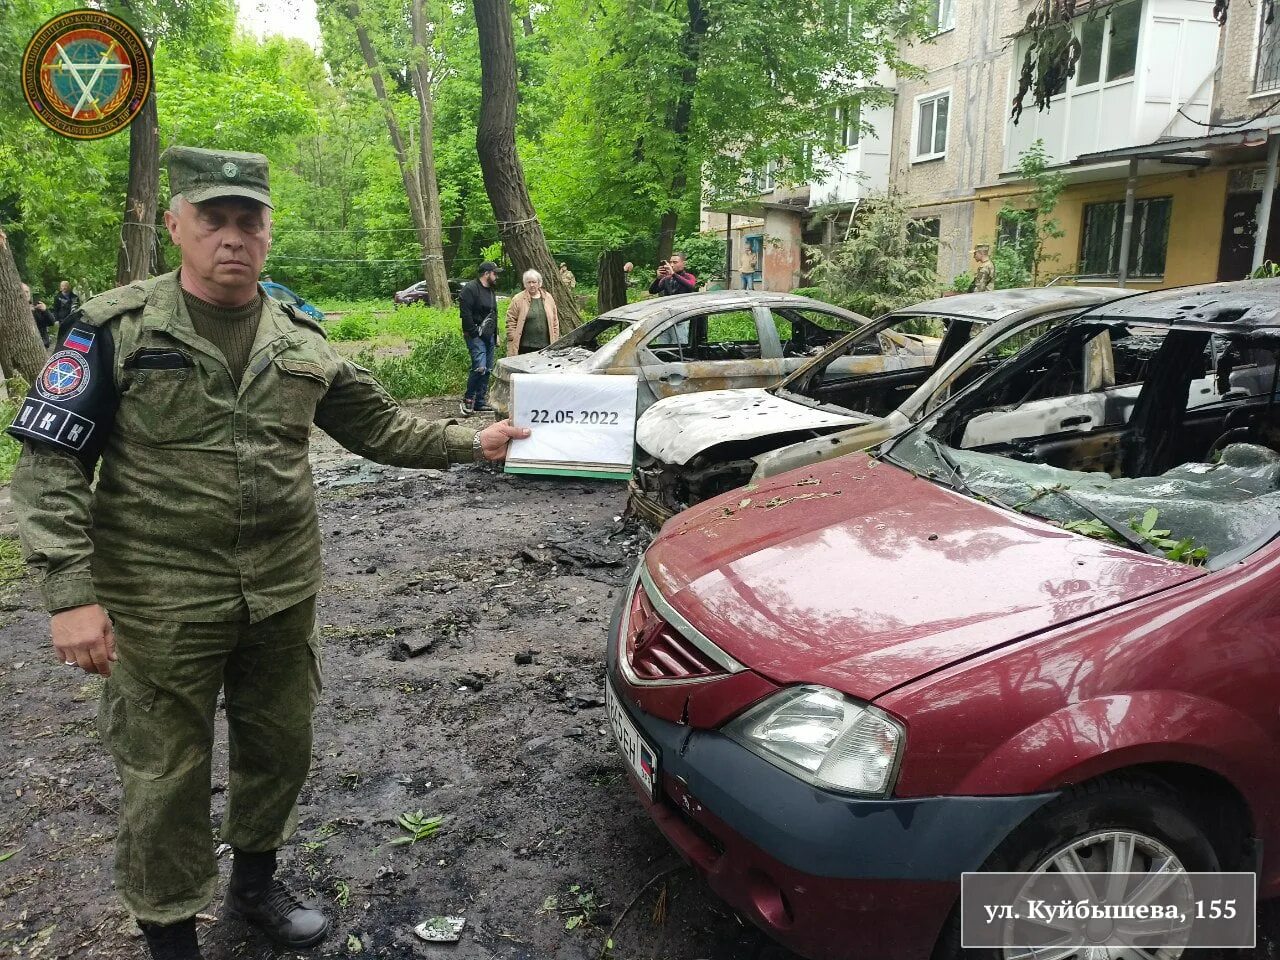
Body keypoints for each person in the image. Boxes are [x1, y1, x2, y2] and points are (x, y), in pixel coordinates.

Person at [7, 146, 528, 960]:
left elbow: (380, 426)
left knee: (278, 747)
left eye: (248, 221)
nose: (232, 237)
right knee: (163, 774)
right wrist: (71, 594)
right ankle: (171, 932)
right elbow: (49, 464)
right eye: (213, 219)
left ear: (269, 232)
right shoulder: (114, 329)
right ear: (175, 225)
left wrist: (473, 440)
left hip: (281, 591)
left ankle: (255, 887)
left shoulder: (299, 333)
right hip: (158, 600)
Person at [459, 261, 501, 416]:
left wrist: (496, 335)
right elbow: (465, 314)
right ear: (486, 273)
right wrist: (474, 332)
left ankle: (480, 402)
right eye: (495, 273)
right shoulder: (470, 289)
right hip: (474, 335)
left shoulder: (491, 291)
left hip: (489, 335)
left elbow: (493, 314)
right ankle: (468, 399)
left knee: (488, 369)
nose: (496, 276)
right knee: (480, 367)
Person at [507, 269, 560, 356]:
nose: (531, 285)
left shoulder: (548, 298)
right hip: (524, 346)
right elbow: (511, 320)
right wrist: (513, 337)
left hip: (546, 346)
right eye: (529, 282)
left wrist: (555, 337)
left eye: (534, 282)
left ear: (539, 283)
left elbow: (555, 321)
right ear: (525, 284)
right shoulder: (518, 299)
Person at [22, 282, 56, 347]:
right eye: (23, 292)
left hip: (42, 344)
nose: (26, 294)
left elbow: (51, 322)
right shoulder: (15, 309)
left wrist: (45, 310)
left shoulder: (38, 306)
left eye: (27, 292)